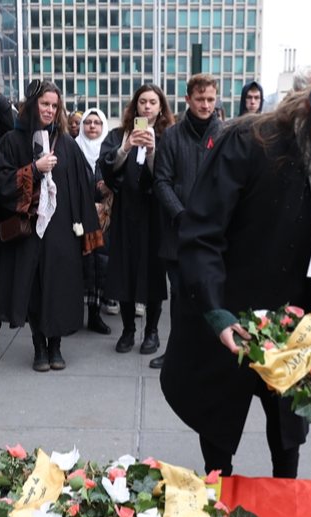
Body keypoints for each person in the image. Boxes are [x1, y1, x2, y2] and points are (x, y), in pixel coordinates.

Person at [160, 65, 311, 479]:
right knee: (219, 428)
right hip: (233, 307)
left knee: (288, 430)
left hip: (296, 320)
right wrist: (215, 310)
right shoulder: (251, 141)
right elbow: (203, 233)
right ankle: (217, 502)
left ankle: (286, 500)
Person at [0, 80, 100, 372]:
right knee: (35, 289)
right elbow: (0, 183)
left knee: (59, 288)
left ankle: (56, 347)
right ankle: (39, 346)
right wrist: (32, 171)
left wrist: (84, 229)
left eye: (54, 105)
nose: (50, 110)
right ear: (32, 105)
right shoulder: (14, 141)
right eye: (44, 104)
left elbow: (82, 186)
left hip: (62, 229)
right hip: (29, 230)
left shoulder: (66, 143)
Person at [153, 73, 224, 369]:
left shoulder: (225, 134)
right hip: (178, 232)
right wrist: (181, 215)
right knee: (180, 298)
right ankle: (177, 353)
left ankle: (208, 353)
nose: (205, 105)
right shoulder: (171, 135)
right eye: (200, 99)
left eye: (210, 99)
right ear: (188, 99)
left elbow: (232, 182)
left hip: (213, 234)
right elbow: (161, 181)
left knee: (210, 296)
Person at [99, 83, 174, 357]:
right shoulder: (120, 134)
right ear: (135, 105)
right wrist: (125, 148)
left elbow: (168, 177)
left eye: (153, 102)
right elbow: (107, 171)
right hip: (126, 213)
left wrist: (153, 151)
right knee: (124, 272)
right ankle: (128, 330)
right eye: (143, 102)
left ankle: (151, 332)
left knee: (153, 273)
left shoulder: (168, 136)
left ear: (161, 107)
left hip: (154, 216)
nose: (147, 107)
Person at [75, 107, 112, 334]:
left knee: (99, 266)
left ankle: (95, 314)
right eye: (88, 122)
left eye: (97, 123)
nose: (91, 126)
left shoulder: (108, 151)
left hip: (102, 218)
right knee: (79, 266)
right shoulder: (73, 147)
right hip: (77, 217)